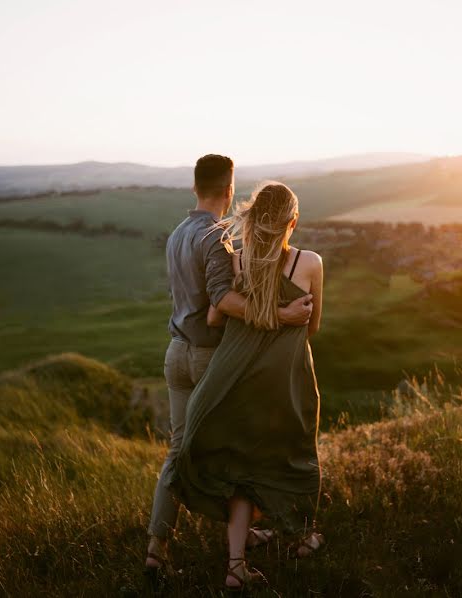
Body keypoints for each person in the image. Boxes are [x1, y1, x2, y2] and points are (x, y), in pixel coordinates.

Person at [145, 156, 313, 574]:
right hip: (206, 357)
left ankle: (155, 549)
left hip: (175, 353)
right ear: (229, 190)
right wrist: (282, 315)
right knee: (231, 451)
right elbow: (222, 301)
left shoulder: (177, 234)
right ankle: (237, 553)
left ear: (194, 187)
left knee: (178, 450)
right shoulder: (218, 237)